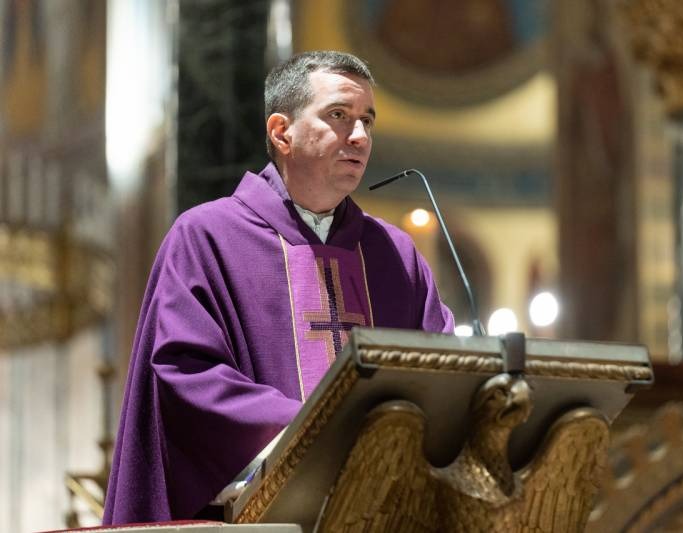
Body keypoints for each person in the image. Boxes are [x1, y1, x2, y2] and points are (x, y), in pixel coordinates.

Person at [102, 50, 454, 525]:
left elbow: (440, 372)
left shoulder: (395, 256)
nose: (359, 136)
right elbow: (186, 378)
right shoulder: (207, 238)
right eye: (338, 115)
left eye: (368, 121)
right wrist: (323, 430)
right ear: (281, 132)